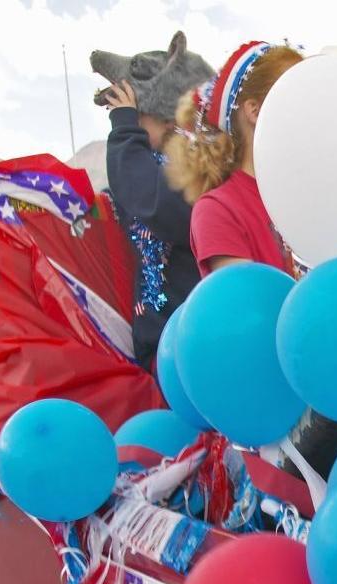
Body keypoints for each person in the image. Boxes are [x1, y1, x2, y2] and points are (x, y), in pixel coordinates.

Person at [92, 31, 214, 368]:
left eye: (136, 114)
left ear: (163, 112)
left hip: (197, 343)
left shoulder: (198, 167)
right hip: (167, 344)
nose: (128, 121)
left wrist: (123, 128)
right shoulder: (158, 165)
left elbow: (151, 198)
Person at [164, 41, 306, 275]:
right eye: (300, 98)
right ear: (255, 111)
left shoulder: (308, 191)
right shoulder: (218, 210)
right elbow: (248, 307)